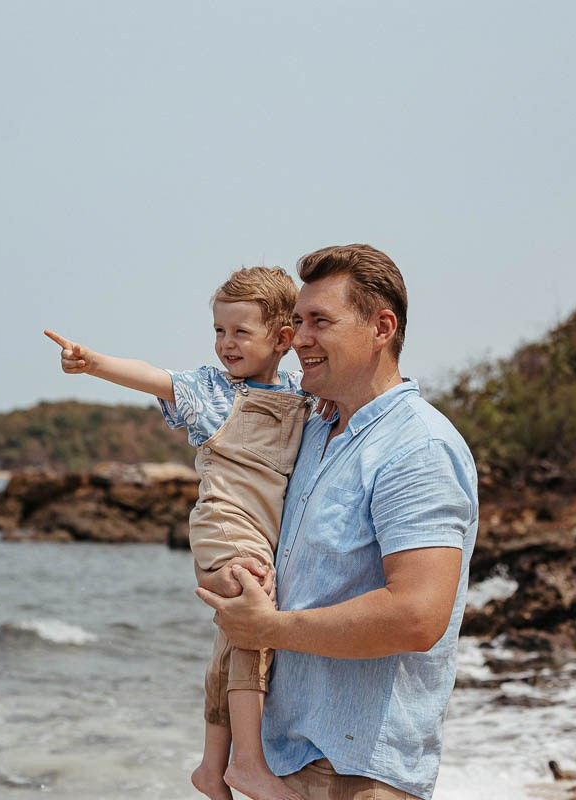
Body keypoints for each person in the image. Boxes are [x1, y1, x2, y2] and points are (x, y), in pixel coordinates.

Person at [196, 244, 479, 800]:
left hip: (359, 775)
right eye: (298, 321)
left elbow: (419, 616)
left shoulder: (417, 447)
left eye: (320, 321)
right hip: (283, 763)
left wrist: (267, 628)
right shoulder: (317, 431)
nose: (298, 338)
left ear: (381, 327)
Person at [45, 266, 322, 800]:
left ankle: (211, 767)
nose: (225, 344)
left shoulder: (298, 391)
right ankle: (250, 762)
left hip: (267, 535)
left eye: (240, 332)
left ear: (283, 339)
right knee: (255, 613)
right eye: (219, 331)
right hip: (226, 523)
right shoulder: (212, 390)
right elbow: (152, 376)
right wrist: (93, 362)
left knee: (232, 637)